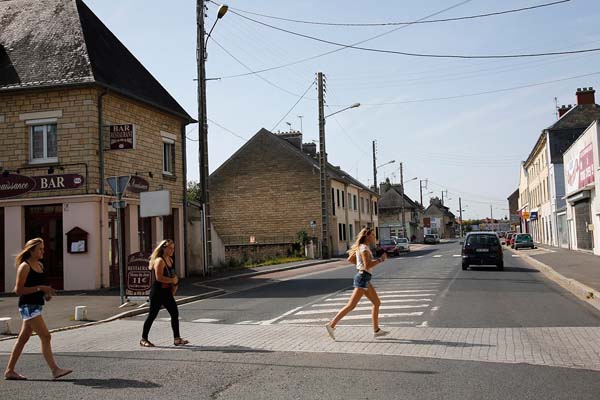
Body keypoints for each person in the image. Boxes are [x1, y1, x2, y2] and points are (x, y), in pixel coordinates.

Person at [4, 238, 72, 380]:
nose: (43, 251)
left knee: (23, 339)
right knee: (46, 336)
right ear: (31, 250)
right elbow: (18, 290)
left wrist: (46, 294)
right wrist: (41, 288)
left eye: (43, 248)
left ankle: (9, 371)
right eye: (40, 249)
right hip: (27, 306)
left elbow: (39, 287)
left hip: (36, 305)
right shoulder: (25, 266)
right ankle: (55, 370)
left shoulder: (40, 265)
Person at [325, 228, 389, 341]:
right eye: (372, 235)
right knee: (351, 305)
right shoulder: (364, 248)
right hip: (362, 278)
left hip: (364, 277)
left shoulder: (362, 247)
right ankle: (331, 325)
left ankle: (376, 330)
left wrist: (359, 265)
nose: (374, 237)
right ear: (367, 236)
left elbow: (350, 259)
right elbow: (368, 264)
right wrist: (381, 259)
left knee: (376, 302)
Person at [140, 239, 189, 347]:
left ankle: (177, 338)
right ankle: (143, 339)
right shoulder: (159, 261)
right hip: (157, 292)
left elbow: (172, 275)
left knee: (174, 313)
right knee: (152, 315)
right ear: (164, 248)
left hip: (167, 292)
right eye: (170, 248)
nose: (172, 250)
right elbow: (159, 278)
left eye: (173, 248)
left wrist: (174, 286)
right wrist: (173, 280)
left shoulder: (170, 260)